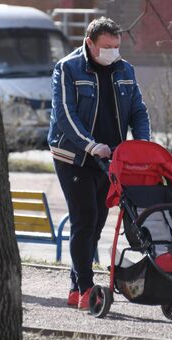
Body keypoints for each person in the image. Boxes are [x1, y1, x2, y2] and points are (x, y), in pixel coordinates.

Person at [48, 17, 150, 310]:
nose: (112, 52)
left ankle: (73, 287)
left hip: (110, 160)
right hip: (75, 156)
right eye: (106, 47)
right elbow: (65, 116)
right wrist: (91, 145)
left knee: (97, 225)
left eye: (116, 47)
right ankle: (85, 288)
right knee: (84, 219)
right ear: (90, 43)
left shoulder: (125, 70)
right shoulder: (67, 68)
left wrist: (141, 145)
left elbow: (138, 112)